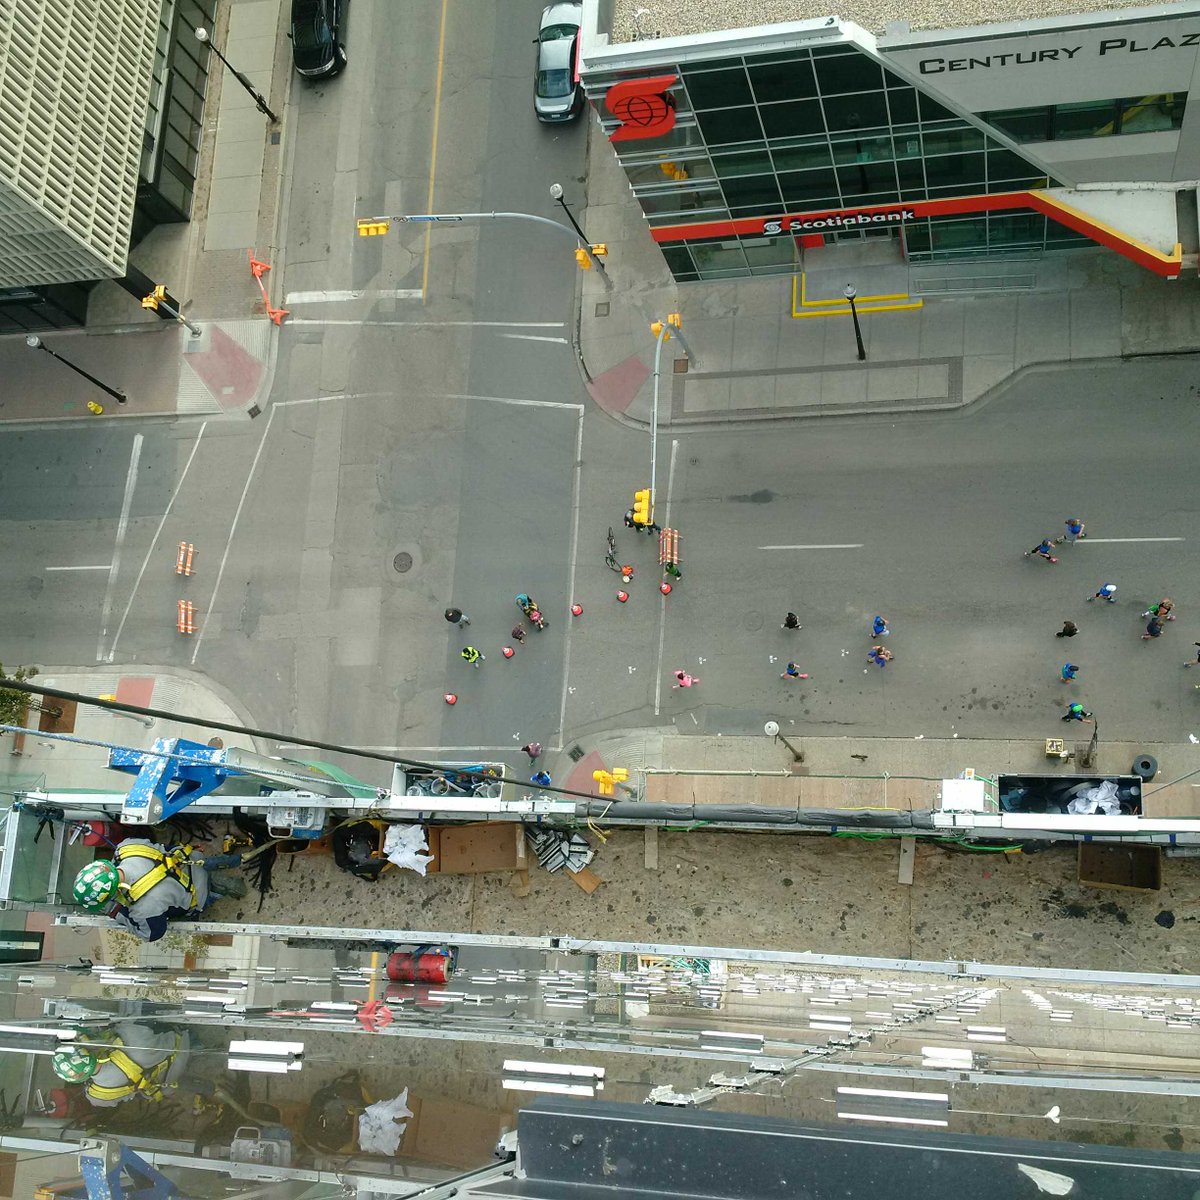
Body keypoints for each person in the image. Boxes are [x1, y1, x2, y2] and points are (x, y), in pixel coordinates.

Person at [72, 840, 245, 942]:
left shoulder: (142, 907)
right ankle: (233, 861)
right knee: (202, 866)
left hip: (196, 894)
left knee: (203, 892)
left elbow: (153, 933)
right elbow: (161, 847)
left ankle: (223, 889)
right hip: (191, 860)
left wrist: (118, 914)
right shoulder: (126, 848)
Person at [52, 1021, 192, 1107]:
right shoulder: (130, 1036)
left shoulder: (97, 1096)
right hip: (182, 1048)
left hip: (166, 1085)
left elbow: (129, 1094)